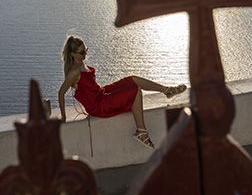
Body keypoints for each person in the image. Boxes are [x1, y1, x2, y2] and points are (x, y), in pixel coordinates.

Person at [58, 36, 186, 149]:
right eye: (81, 53)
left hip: (101, 93)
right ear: (72, 54)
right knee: (134, 91)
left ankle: (167, 90)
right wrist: (63, 116)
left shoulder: (81, 64)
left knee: (132, 80)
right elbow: (61, 93)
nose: (85, 54)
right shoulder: (74, 72)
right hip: (98, 105)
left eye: (85, 50)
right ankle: (141, 131)